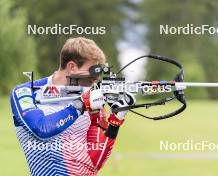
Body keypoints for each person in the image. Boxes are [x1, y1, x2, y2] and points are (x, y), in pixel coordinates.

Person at [10, 37, 135, 176]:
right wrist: (80, 105)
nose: (95, 79)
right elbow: (42, 128)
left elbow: (93, 163)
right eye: (92, 71)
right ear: (72, 67)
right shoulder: (26, 92)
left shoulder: (91, 97)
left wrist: (115, 122)